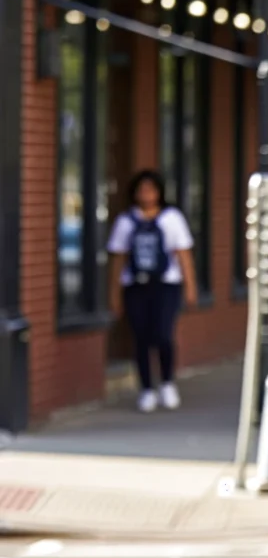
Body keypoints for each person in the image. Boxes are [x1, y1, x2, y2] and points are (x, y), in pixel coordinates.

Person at [108, 170, 197, 413]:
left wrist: (191, 287)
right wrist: (114, 294)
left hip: (166, 284)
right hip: (136, 285)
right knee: (141, 338)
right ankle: (146, 389)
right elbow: (118, 259)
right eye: (142, 190)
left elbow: (183, 254)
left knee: (163, 334)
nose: (146, 195)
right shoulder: (126, 221)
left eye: (151, 189)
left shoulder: (172, 218)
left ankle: (167, 383)